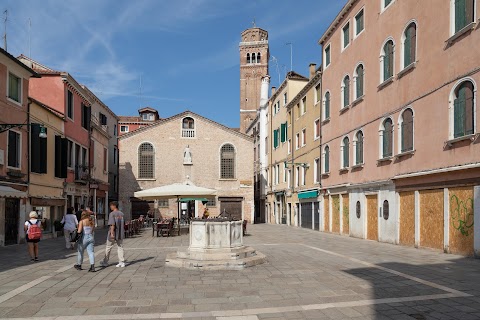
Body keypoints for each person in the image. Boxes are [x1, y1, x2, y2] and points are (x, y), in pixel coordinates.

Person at [100, 201, 125, 268]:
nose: (110, 207)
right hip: (120, 232)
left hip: (113, 232)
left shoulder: (112, 214)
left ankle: (105, 261)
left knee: (108, 247)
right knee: (120, 247)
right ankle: (121, 262)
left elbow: (112, 224)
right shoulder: (121, 214)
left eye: (111, 206)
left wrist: (111, 233)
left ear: (114, 206)